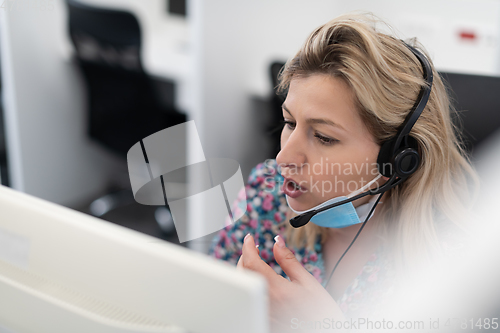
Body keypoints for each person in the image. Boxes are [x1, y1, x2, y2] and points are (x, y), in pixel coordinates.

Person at [209, 13, 478, 331]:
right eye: (290, 123)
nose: (283, 158)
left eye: (324, 137)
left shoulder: (457, 268)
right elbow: (203, 309)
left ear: (401, 157)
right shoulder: (265, 195)